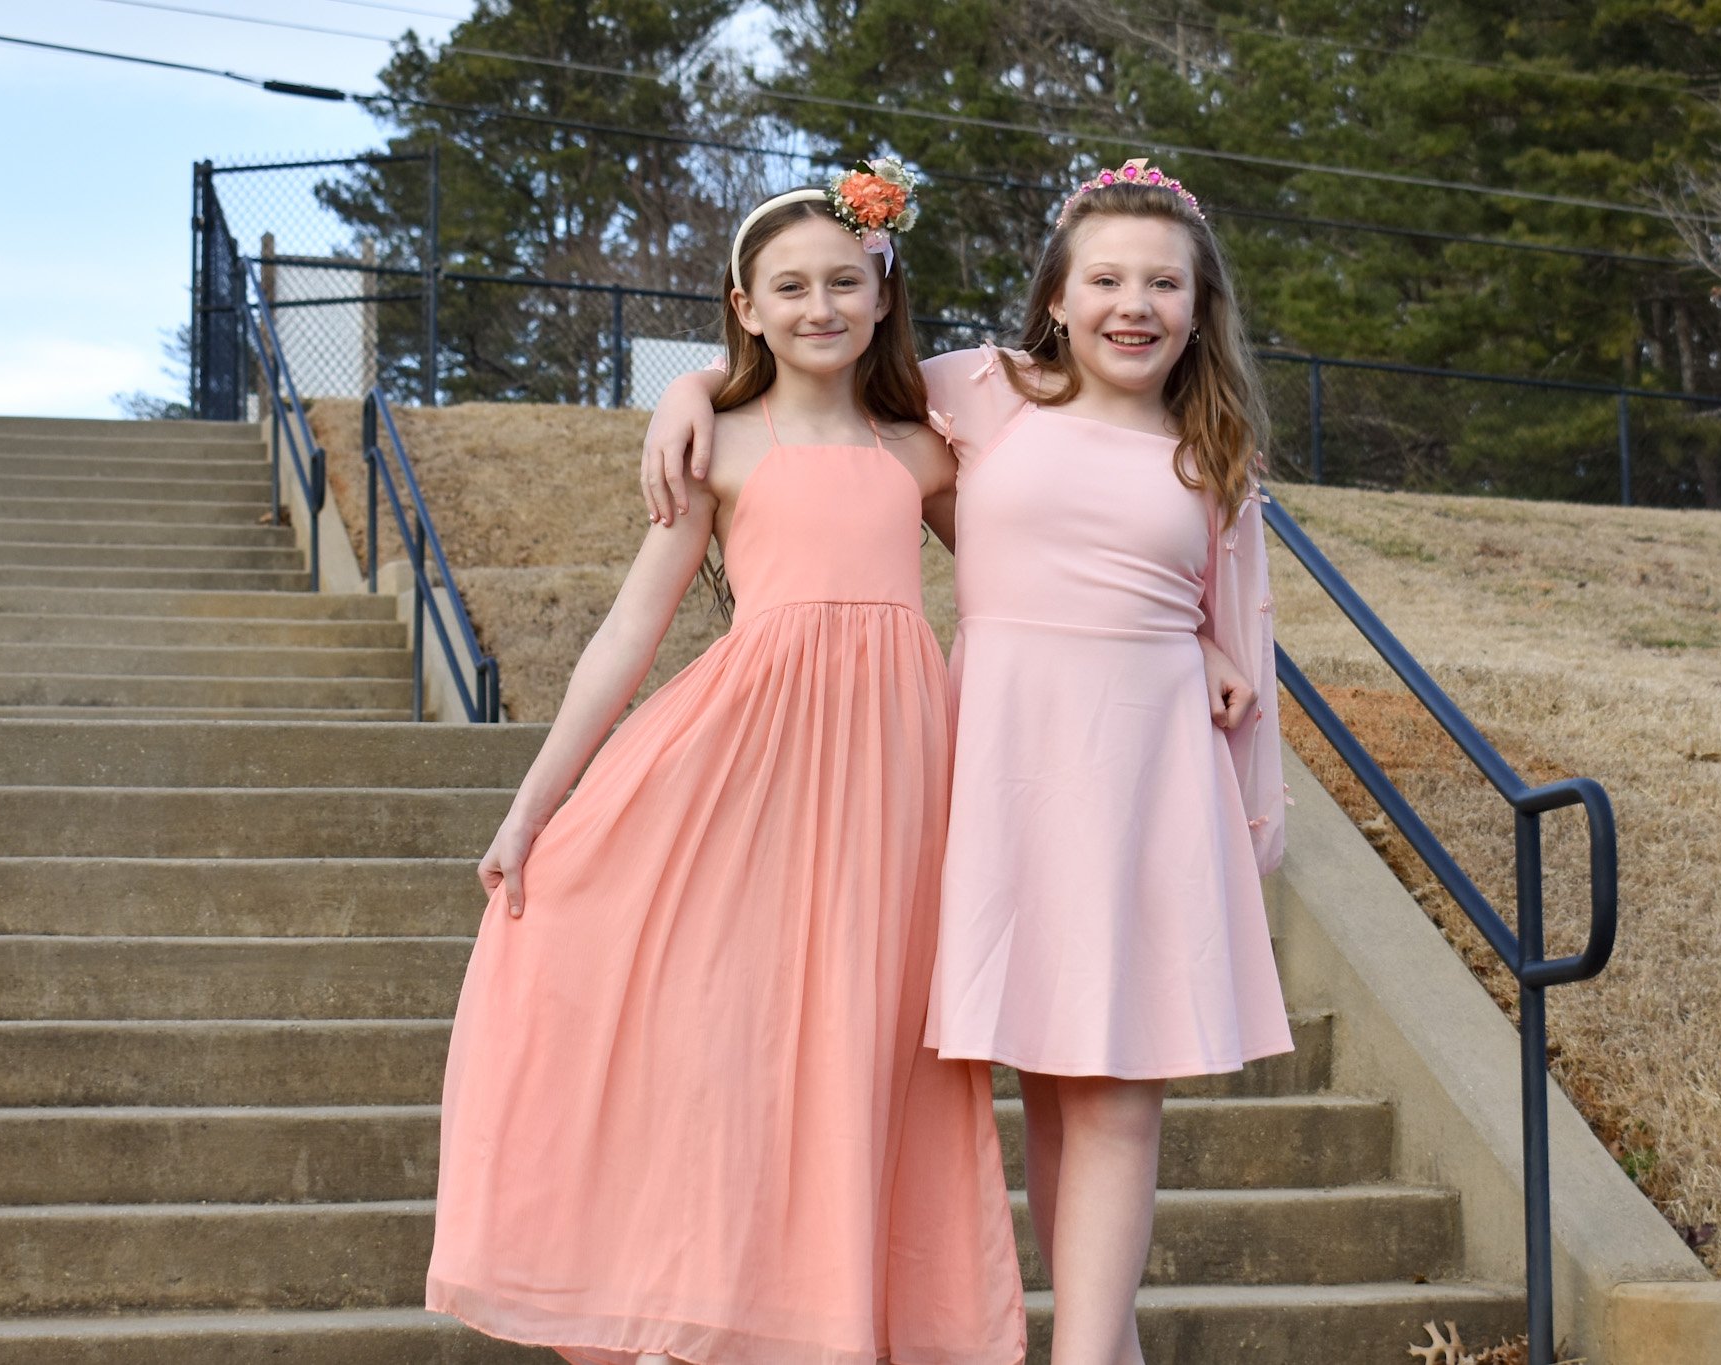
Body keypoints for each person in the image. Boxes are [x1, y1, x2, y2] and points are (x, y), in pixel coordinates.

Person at [642, 159, 1290, 1365]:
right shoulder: (981, 396)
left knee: (1110, 1084)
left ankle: (1088, 1354)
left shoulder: (1212, 449)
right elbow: (818, 374)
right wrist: (687, 385)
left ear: (1200, 309)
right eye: (1104, 278)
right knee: (1046, 1073)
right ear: (1055, 297)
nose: (1131, 304)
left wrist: (1204, 655)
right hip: (996, 766)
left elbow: (1235, 622)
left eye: (1163, 283)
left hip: (1140, 775)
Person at [428, 164, 1026, 1365]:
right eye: (788, 287)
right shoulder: (717, 449)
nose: (819, 306)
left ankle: (839, 1318)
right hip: (744, 765)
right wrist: (532, 805)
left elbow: (1028, 578)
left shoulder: (928, 451)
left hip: (895, 779)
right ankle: (689, 1310)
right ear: (743, 307)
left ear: (882, 288)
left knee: (864, 1043)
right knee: (730, 1032)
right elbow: (626, 631)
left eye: (843, 282)